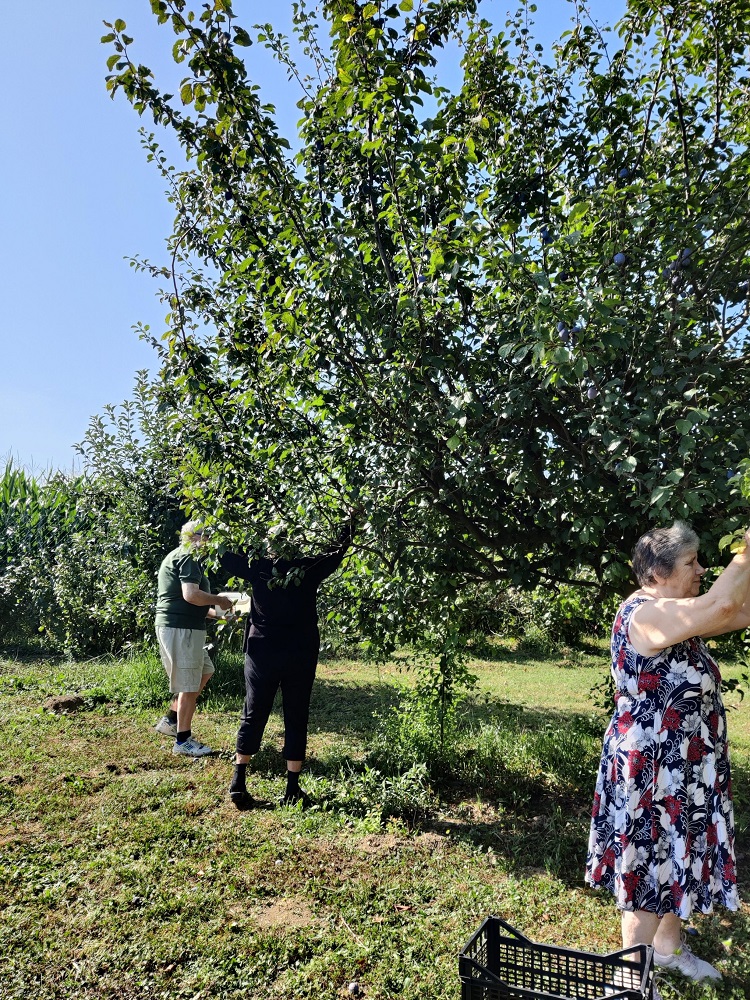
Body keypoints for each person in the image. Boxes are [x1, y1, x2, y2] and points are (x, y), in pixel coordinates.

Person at [586, 521, 750, 983]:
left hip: (689, 767)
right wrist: (747, 551)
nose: (700, 568)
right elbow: (721, 602)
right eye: (690, 562)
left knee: (683, 855)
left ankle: (667, 948)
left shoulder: (680, 614)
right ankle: (630, 976)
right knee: (649, 867)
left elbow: (737, 609)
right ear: (656, 572)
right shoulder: (644, 613)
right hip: (652, 770)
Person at [220, 520, 355, 808]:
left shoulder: (256, 566)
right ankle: (292, 788)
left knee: (253, 711)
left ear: (269, 546)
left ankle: (238, 780)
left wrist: (203, 534)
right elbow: (337, 551)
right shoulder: (307, 568)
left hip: (262, 652)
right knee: (296, 715)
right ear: (294, 543)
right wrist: (351, 520)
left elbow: (222, 554)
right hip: (300, 652)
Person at [153, 521, 233, 757]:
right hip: (180, 629)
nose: (210, 542)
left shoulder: (183, 556)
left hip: (185, 627)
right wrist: (220, 600)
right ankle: (183, 741)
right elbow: (191, 595)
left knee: (205, 671)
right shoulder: (189, 556)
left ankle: (171, 719)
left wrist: (217, 616)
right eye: (208, 537)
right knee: (188, 686)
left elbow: (188, 600)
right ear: (195, 537)